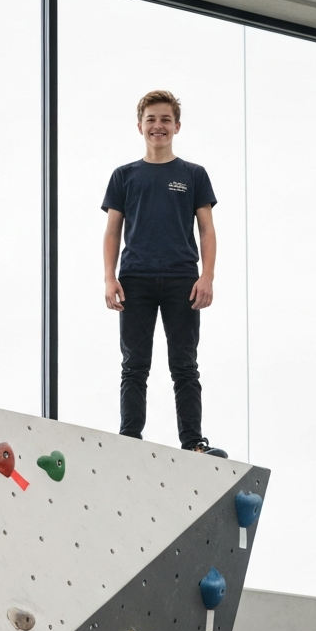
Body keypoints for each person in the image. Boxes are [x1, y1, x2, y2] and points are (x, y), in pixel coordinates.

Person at [102, 89, 227, 457]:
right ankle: (129, 439)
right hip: (135, 279)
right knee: (134, 365)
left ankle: (193, 443)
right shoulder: (124, 176)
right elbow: (112, 231)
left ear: (177, 126)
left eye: (166, 119)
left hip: (182, 281)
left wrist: (208, 277)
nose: (159, 126)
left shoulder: (193, 175)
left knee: (185, 366)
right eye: (152, 119)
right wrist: (110, 278)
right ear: (140, 125)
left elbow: (207, 229)